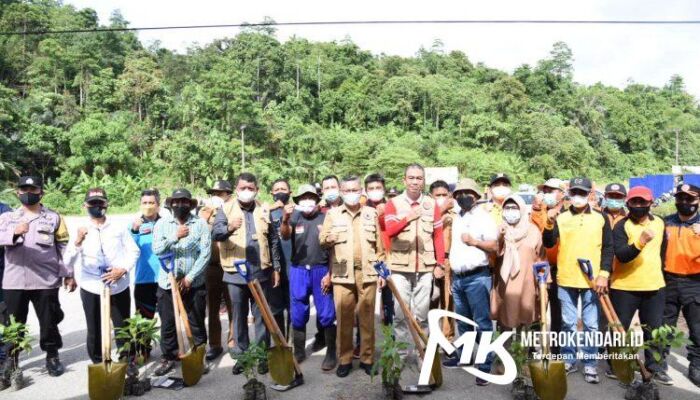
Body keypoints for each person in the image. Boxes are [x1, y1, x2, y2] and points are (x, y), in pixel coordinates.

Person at [0, 175, 75, 377]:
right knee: (12, 324)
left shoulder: (54, 218)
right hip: (14, 281)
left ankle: (52, 356)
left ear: (41, 193)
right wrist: (14, 232)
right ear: (18, 193)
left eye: (33, 190)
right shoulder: (7, 218)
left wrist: (68, 274)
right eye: (24, 190)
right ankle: (11, 362)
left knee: (49, 321)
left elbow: (63, 247)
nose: (28, 194)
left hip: (45, 280)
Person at [543, 177, 613, 384]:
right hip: (566, 277)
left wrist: (604, 274)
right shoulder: (561, 217)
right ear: (569, 194)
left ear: (590, 194)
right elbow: (548, 243)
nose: (578, 197)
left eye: (582, 193)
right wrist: (549, 222)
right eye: (575, 192)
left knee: (591, 324)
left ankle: (590, 363)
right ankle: (569, 359)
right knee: (568, 323)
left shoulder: (601, 218)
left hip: (592, 281)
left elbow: (608, 248)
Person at [212, 173, 282, 375]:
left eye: (251, 188)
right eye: (243, 188)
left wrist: (276, 268)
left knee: (262, 316)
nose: (247, 191)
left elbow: (273, 240)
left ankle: (261, 356)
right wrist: (229, 227)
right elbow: (216, 234)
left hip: (261, 271)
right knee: (239, 316)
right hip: (235, 272)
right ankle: (242, 356)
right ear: (236, 189)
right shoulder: (225, 209)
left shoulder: (263, 209)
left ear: (257, 189)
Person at [64, 188, 140, 364]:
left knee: (122, 326)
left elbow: (133, 251)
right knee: (95, 328)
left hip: (118, 285)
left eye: (101, 203)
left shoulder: (119, 227)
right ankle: (99, 363)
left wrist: (122, 269)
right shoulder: (79, 229)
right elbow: (67, 260)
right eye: (93, 203)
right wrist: (77, 242)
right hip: (92, 286)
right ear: (85, 206)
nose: (97, 206)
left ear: (107, 204)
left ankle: (127, 361)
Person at [320, 175, 384, 378]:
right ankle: (345, 359)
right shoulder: (333, 214)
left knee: (367, 318)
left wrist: (382, 272)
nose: (351, 194)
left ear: (361, 191)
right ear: (341, 192)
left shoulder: (371, 213)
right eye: (346, 191)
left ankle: (367, 358)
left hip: (368, 271)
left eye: (354, 190)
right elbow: (322, 240)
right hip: (341, 271)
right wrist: (328, 238)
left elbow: (379, 246)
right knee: (344, 318)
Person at [610, 186, 671, 385]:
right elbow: (621, 255)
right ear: (628, 204)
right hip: (624, 287)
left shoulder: (660, 223)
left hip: (654, 287)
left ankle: (655, 368)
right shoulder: (621, 226)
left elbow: (661, 253)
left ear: (650, 203)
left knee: (654, 330)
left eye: (642, 202)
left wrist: (660, 277)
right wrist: (640, 242)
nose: (638, 206)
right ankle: (617, 366)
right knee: (619, 330)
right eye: (634, 202)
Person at [441, 178, 498, 386]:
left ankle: (484, 364)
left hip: (477, 277)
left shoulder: (485, 218)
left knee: (482, 322)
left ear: (476, 196)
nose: (464, 197)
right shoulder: (457, 217)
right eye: (460, 194)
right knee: (462, 321)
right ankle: (464, 355)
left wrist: (475, 242)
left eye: (468, 193)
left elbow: (494, 246)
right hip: (459, 278)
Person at [384, 164, 446, 358]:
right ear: (404, 180)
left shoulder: (431, 204)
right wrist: (408, 218)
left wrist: (440, 263)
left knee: (421, 315)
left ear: (423, 181)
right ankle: (401, 356)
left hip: (425, 268)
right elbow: (390, 230)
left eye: (419, 178)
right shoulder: (393, 203)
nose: (414, 182)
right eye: (411, 178)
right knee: (401, 315)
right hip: (400, 268)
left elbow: (438, 236)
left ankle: (422, 355)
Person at [152, 188, 211, 376]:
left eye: (184, 202)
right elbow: (157, 249)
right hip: (168, 283)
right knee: (168, 323)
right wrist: (174, 236)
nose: (180, 205)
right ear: (171, 205)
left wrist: (190, 277)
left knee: (196, 321)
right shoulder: (162, 224)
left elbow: (206, 253)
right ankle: (169, 357)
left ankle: (199, 355)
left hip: (194, 283)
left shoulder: (200, 224)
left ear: (190, 204)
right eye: (176, 202)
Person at [280, 184, 336, 370]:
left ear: (316, 199)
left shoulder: (325, 218)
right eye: (303, 198)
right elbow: (285, 236)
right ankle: (299, 350)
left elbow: (333, 248)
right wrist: (285, 219)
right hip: (299, 270)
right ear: (297, 201)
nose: (307, 201)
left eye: (311, 197)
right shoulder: (293, 218)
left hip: (321, 269)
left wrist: (330, 273)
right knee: (297, 312)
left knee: (327, 313)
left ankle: (331, 353)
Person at [662, 183, 700, 387]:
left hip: (695, 283)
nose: (685, 203)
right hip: (668, 281)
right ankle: (658, 365)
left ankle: (697, 366)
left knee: (697, 328)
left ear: (698, 201)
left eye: (690, 199)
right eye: (681, 198)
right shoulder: (666, 222)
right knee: (664, 326)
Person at [491, 194, 545, 330]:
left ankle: (524, 350)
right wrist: (500, 237)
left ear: (521, 209)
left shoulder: (533, 231)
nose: (510, 211)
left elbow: (541, 258)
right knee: (505, 322)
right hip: (505, 284)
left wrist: (545, 283)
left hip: (527, 283)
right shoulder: (499, 230)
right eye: (507, 208)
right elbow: (493, 255)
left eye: (514, 208)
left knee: (526, 317)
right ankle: (504, 350)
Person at [198, 180, 234, 362]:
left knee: (233, 304)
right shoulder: (203, 213)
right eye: (214, 193)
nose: (217, 197)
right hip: (211, 266)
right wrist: (205, 218)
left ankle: (234, 342)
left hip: (231, 264)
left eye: (221, 193)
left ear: (229, 194)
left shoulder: (234, 210)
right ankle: (215, 344)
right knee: (212, 307)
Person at [530, 178, 565, 353]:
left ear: (562, 194)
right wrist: (536, 209)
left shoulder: (568, 212)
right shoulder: (538, 211)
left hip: (560, 267)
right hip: (540, 265)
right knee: (537, 309)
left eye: (552, 190)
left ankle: (556, 350)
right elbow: (533, 230)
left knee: (558, 313)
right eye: (545, 190)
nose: (548, 194)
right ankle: (531, 349)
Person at [364, 174, 393, 327]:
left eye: (378, 188)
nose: (375, 191)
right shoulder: (361, 209)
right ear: (366, 190)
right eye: (371, 188)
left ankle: (391, 341)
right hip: (367, 260)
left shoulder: (392, 207)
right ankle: (361, 342)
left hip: (387, 259)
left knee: (389, 302)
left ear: (384, 189)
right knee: (364, 304)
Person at [429, 179, 456, 339]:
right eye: (437, 195)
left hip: (450, 262)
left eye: (444, 195)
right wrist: (440, 211)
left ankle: (448, 339)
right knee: (430, 303)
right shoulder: (427, 213)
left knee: (448, 304)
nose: (441, 197)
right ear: (431, 197)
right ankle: (430, 339)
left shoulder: (456, 215)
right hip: (431, 262)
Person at [131, 189, 162, 323]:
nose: (148, 206)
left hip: (164, 280)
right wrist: (135, 231)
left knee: (169, 322)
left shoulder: (166, 224)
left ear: (158, 205)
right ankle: (143, 346)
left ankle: (170, 345)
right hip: (143, 280)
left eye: (151, 202)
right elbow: (130, 250)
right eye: (144, 203)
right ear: (140, 205)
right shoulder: (134, 226)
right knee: (143, 325)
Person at [268, 178, 293, 340]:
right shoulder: (266, 212)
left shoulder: (295, 211)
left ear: (290, 193)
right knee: (276, 308)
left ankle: (292, 342)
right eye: (276, 189)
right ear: (271, 193)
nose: (279, 192)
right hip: (274, 268)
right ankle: (280, 341)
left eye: (283, 189)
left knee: (293, 307)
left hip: (293, 266)